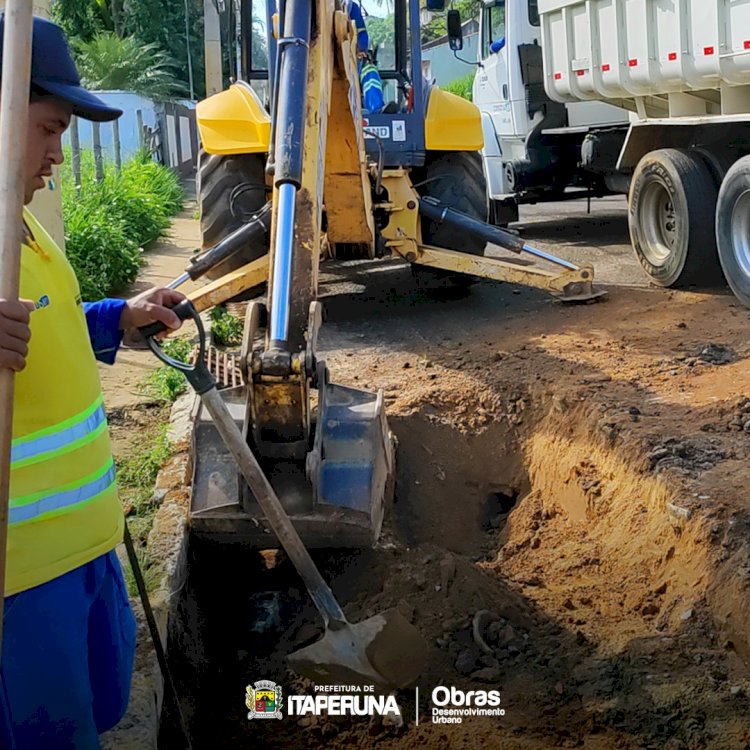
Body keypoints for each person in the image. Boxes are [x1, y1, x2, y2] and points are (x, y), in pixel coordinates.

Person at [0, 16, 187, 749]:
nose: (58, 151)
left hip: (88, 553)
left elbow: (50, 323)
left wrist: (118, 319)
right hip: (21, 585)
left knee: (99, 718)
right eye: (49, 127)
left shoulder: (23, 227)